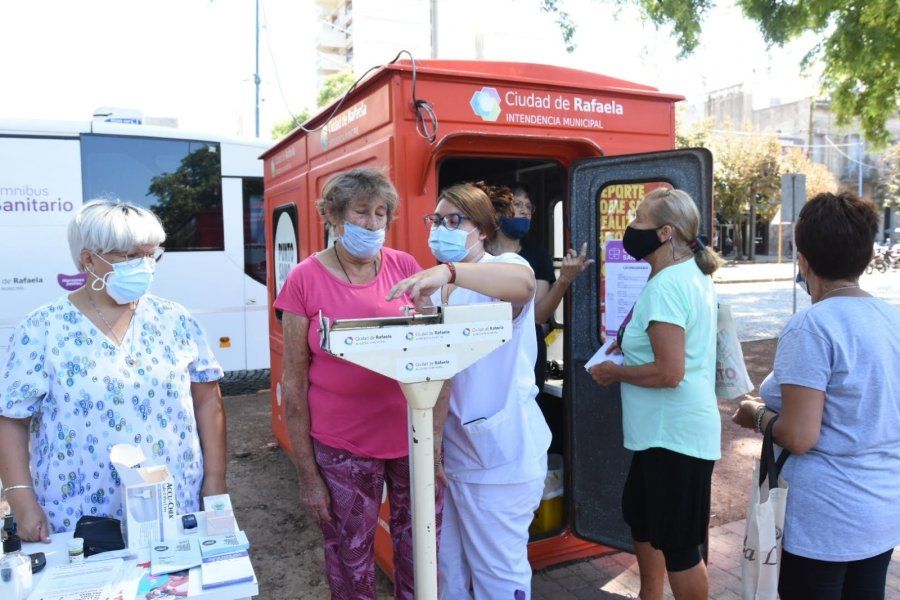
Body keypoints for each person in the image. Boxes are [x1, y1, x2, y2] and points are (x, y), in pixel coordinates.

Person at [0, 200, 227, 542]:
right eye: (131, 257)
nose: (146, 266)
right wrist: (21, 499)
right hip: (78, 512)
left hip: (174, 500)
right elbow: (12, 419)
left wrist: (215, 478)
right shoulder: (42, 328)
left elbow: (208, 401)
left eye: (152, 255)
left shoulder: (175, 320)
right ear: (89, 259)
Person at [274, 167, 441, 600]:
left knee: (421, 548)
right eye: (361, 212)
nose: (372, 223)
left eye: (381, 213)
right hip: (343, 445)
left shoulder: (404, 266)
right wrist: (307, 474)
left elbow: (433, 353)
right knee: (351, 557)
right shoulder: (305, 279)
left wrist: (436, 447)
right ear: (333, 215)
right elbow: (293, 384)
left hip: (411, 438)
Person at [387, 182, 551, 599]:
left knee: (498, 576)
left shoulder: (503, 265)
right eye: (436, 220)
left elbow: (523, 286)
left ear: (481, 230)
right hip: (455, 456)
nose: (441, 228)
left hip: (500, 460)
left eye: (453, 221)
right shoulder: (444, 291)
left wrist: (451, 269)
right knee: (449, 573)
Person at [733, 191, 900, 600]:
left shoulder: (811, 325)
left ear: (803, 258)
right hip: (880, 510)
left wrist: (754, 415)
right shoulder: (892, 318)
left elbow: (799, 436)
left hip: (823, 521)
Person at [588, 188, 721, 600]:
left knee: (679, 546)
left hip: (675, 437)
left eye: (640, 219)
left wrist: (615, 373)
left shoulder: (668, 286)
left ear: (664, 233)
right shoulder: (683, 275)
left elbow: (670, 371)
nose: (632, 228)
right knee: (643, 521)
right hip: (661, 435)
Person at [485, 182, 594, 387]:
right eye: (517, 204)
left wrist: (564, 279)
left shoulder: (537, 255)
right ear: (495, 212)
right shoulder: (478, 252)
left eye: (529, 206)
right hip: (485, 347)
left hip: (526, 350)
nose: (525, 211)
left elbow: (537, 316)